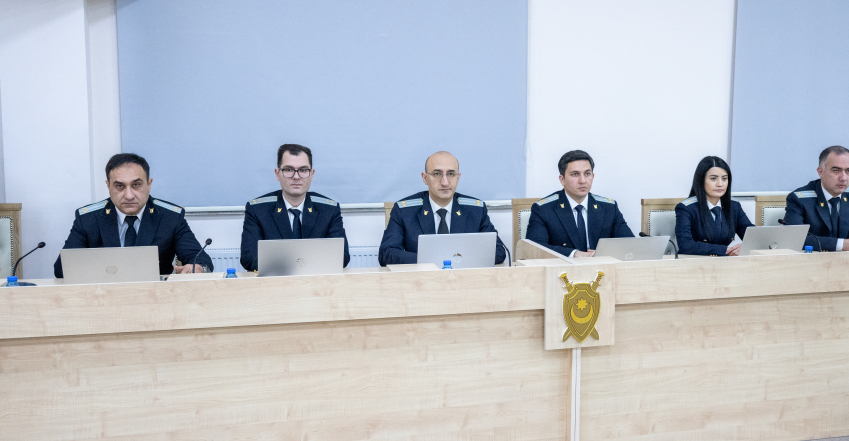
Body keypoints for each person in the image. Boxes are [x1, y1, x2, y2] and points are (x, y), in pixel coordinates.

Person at [53, 153, 212, 277]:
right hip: (103, 296)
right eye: (120, 186)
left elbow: (202, 261)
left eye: (136, 185)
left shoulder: (169, 217)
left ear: (149, 185)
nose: (129, 195)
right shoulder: (89, 219)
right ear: (108, 186)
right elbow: (61, 269)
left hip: (155, 297)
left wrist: (198, 268)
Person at [378, 151, 506, 266]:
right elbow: (387, 253)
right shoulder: (404, 210)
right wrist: (433, 261)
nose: (445, 182)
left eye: (451, 174)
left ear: (458, 178)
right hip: (420, 283)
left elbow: (499, 252)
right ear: (425, 178)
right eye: (437, 174)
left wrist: (453, 259)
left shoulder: (476, 210)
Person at [240, 144, 350, 271]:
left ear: (312, 174)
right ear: (277, 174)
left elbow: (342, 256)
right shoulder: (257, 210)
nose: (296, 176)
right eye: (288, 170)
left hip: (317, 284)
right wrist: (301, 263)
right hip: (274, 284)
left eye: (303, 170)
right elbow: (249, 257)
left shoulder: (329, 210)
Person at [525, 149, 633, 258]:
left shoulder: (609, 208)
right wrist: (573, 254)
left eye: (587, 174)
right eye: (575, 174)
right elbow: (535, 248)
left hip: (603, 270)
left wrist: (603, 254)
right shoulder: (544, 209)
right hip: (562, 271)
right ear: (562, 180)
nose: (582, 180)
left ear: (593, 176)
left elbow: (629, 244)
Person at [783, 145, 849, 252]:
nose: (843, 178)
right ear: (820, 172)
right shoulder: (799, 199)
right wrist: (843, 244)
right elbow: (795, 240)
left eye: (848, 171)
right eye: (836, 171)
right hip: (813, 263)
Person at [675, 156, 753, 257]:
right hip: (695, 264)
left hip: (725, 264)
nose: (720, 184)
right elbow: (685, 245)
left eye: (724, 179)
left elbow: (751, 236)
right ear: (701, 180)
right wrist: (725, 250)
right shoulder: (686, 208)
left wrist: (744, 246)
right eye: (713, 179)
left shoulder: (734, 206)